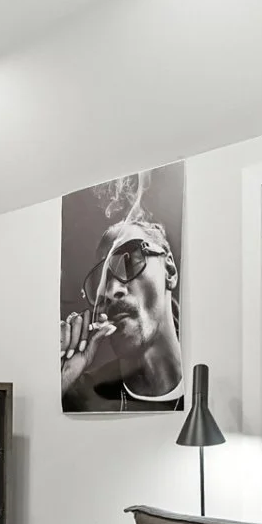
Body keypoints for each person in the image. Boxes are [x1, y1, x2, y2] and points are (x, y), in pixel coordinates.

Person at [60, 172, 184, 410]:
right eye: (100, 279)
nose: (110, 290)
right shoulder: (79, 394)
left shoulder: (211, 375)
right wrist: (65, 375)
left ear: (169, 270)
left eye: (129, 260)